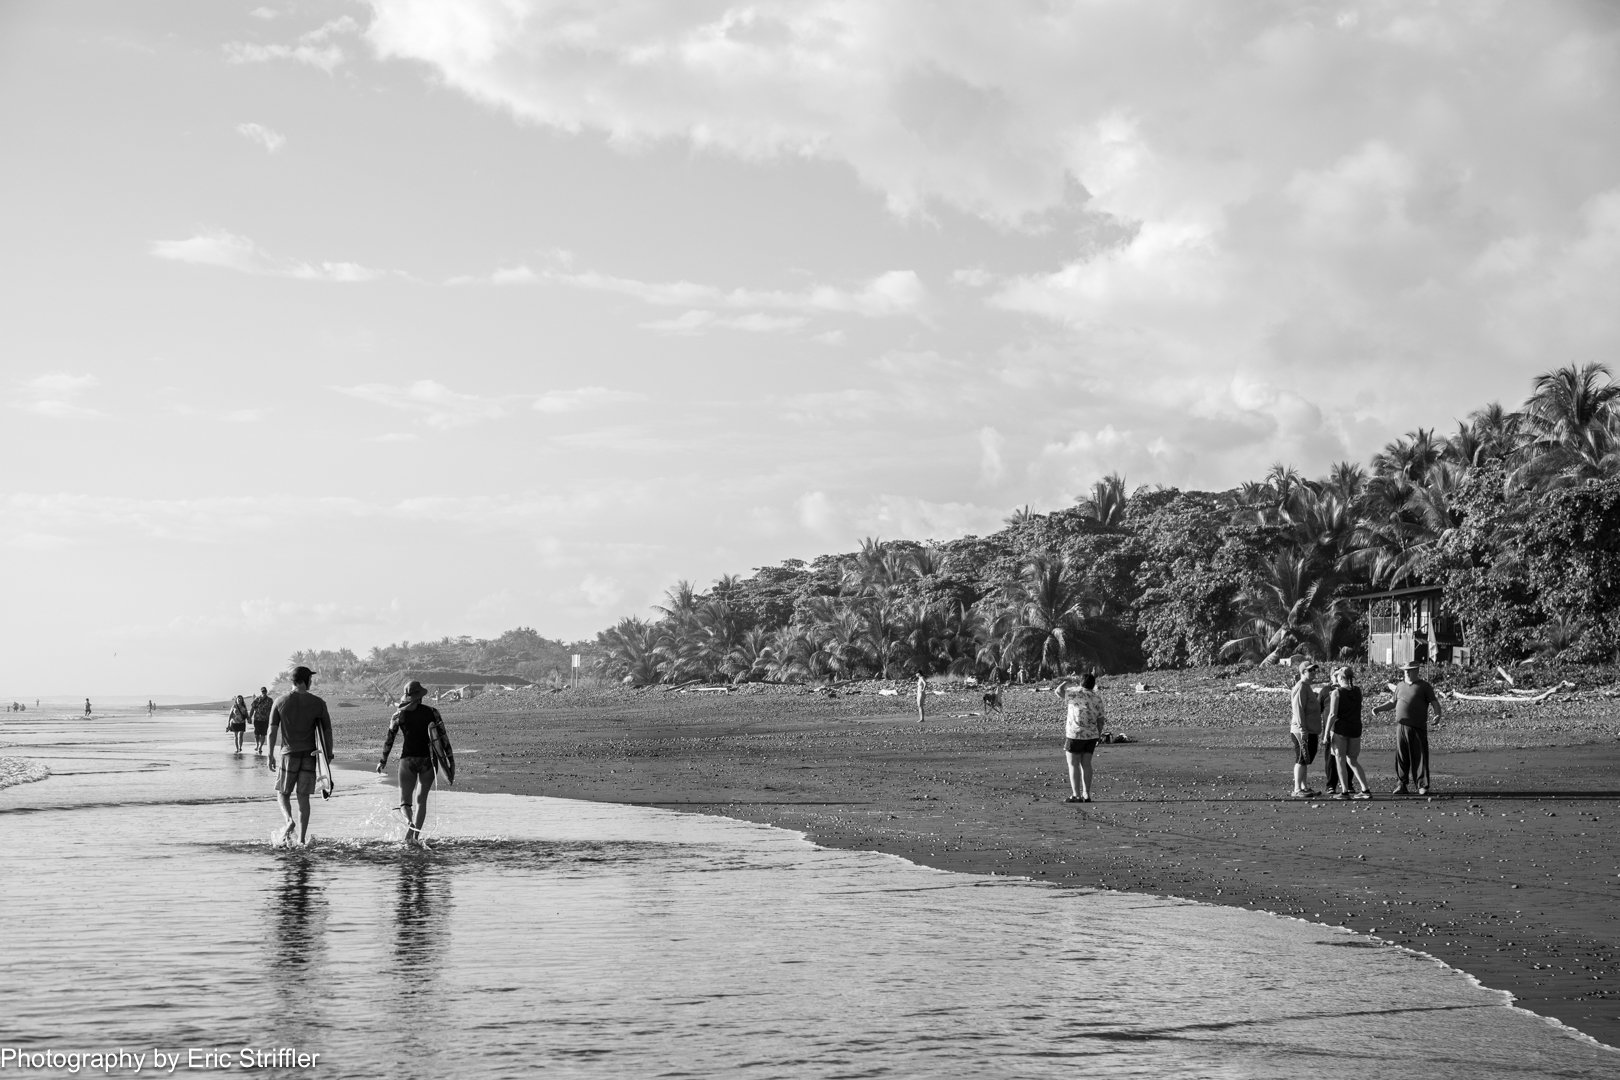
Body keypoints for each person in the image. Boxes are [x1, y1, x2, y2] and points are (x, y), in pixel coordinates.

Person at [376, 680, 453, 845]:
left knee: (405, 803)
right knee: (421, 800)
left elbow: (389, 739)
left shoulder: (397, 715)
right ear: (420, 696)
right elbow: (443, 739)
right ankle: (415, 837)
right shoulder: (433, 712)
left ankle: (410, 824)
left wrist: (382, 761)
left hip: (407, 761)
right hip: (428, 761)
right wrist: (449, 764)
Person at [267, 666, 334, 846]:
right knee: (303, 797)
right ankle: (302, 839)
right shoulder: (318, 703)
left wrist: (269, 754)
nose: (312, 682)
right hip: (310, 755)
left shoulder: (280, 702)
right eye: (310, 679)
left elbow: (272, 731)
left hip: (288, 754)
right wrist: (327, 755)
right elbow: (327, 731)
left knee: (283, 793)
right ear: (306, 680)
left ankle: (289, 820)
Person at [1379, 661, 1442, 795]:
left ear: (1417, 670)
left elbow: (1435, 702)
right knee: (1401, 756)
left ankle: (1422, 785)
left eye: (1410, 670)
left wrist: (1437, 715)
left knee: (1420, 756)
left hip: (1418, 727)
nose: (1407, 672)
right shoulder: (1400, 686)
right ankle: (1401, 784)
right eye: (1405, 670)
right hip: (1401, 726)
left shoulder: (1424, 686)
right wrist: (1378, 709)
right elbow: (1392, 702)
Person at [1054, 671, 1105, 803]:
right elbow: (1101, 720)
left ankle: (1076, 795)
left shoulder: (1074, 693)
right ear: (1093, 685)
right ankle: (1086, 794)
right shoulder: (1097, 698)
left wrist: (1067, 681)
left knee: (1073, 764)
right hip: (1091, 735)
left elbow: (1058, 691)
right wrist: (1098, 735)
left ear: (1081, 683)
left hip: (1074, 734)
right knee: (1086, 764)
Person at [1325, 667, 1371, 800]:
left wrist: (1326, 733)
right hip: (1355, 729)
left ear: (1340, 678)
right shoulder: (1357, 691)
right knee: (1352, 760)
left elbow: (1332, 714)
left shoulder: (1336, 693)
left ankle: (1344, 791)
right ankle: (1365, 789)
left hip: (1340, 729)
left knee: (1340, 759)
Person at [1288, 663, 1323, 798]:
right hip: (1301, 730)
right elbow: (1298, 709)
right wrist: (1303, 729)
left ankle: (1304, 786)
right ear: (1303, 672)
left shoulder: (1307, 687)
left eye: (1315, 670)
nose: (1314, 672)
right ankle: (1297, 788)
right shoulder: (1301, 687)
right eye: (1310, 670)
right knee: (1302, 758)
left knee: (1307, 758)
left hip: (1311, 730)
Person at [249, 686, 273, 756]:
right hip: (257, 719)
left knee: (263, 734)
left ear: (266, 692)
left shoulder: (270, 700)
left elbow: (272, 710)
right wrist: (249, 717)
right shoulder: (257, 699)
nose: (264, 692)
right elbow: (252, 709)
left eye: (265, 691)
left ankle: (260, 747)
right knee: (256, 734)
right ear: (261, 692)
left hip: (265, 719)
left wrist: (273, 719)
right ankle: (257, 744)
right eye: (262, 691)